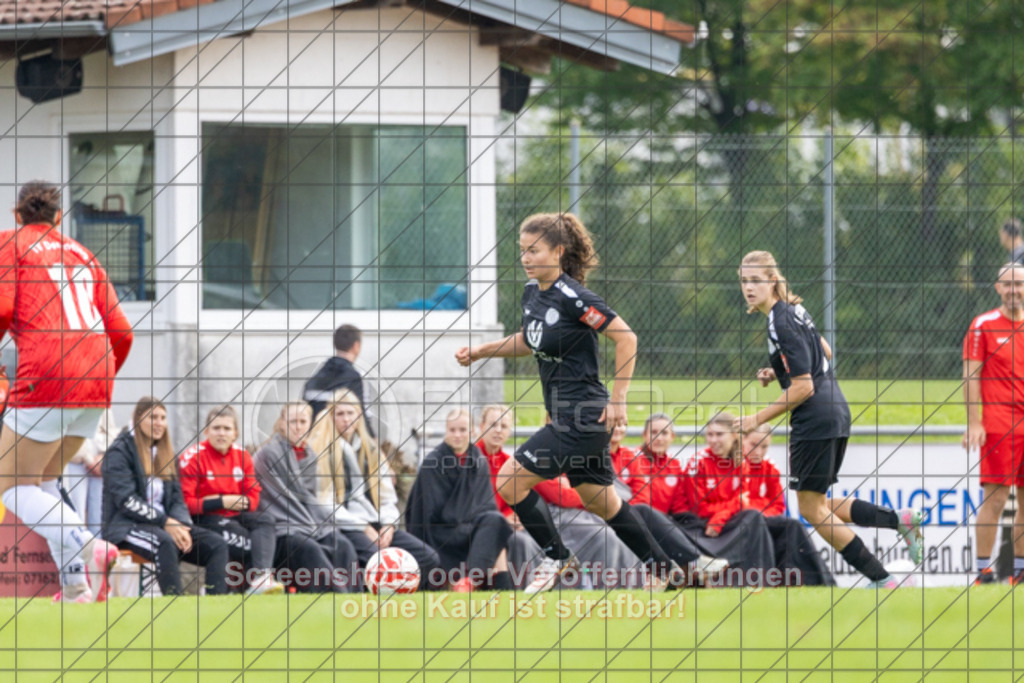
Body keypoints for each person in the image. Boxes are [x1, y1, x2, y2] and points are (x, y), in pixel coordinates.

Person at [456, 212, 681, 593]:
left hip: (582, 417)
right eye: (522, 250)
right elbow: (530, 340)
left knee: (509, 481)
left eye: (534, 250)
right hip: (569, 417)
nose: (525, 257)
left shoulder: (574, 295)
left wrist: (619, 400)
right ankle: (666, 571)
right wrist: (482, 351)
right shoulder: (533, 293)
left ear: (558, 251)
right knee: (603, 504)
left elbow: (627, 338)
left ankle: (557, 556)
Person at [737, 250, 923, 588]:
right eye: (744, 281)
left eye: (756, 280)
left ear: (772, 281)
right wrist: (778, 368)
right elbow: (824, 351)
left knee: (810, 509)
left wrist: (755, 419)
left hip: (815, 417)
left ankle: (883, 580)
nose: (748, 287)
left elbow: (803, 388)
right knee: (818, 502)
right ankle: (900, 519)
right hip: (836, 408)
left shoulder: (780, 320)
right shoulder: (794, 310)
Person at [0, 181, 133, 603]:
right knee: (46, 482)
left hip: (47, 371)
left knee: (9, 486)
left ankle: (88, 543)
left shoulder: (10, 243)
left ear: (16, 215)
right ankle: (76, 586)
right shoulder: (82, 252)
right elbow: (121, 331)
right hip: (97, 374)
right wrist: (98, 380)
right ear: (58, 218)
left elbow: (3, 309)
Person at [477, 405, 642, 589]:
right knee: (603, 533)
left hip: (575, 514)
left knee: (611, 533)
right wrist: (595, 498)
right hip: (543, 518)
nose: (498, 431)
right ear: (481, 426)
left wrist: (596, 497)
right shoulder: (520, 458)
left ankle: (619, 587)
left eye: (504, 426)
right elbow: (558, 494)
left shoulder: (510, 459)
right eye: (493, 425)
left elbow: (635, 491)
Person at [306, 390, 440, 591]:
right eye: (339, 414)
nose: (346, 419)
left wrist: (388, 525)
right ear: (331, 417)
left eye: (350, 413)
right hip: (345, 525)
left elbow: (387, 497)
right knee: (380, 563)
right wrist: (362, 526)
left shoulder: (372, 450)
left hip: (377, 522)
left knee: (428, 558)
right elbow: (325, 503)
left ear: (358, 416)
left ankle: (410, 604)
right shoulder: (322, 452)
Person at [102, 397, 230, 595]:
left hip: (165, 525)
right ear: (137, 419)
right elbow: (127, 501)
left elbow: (177, 497)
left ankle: (216, 602)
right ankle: (174, 602)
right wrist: (165, 522)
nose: (159, 423)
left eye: (163, 417)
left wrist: (180, 524)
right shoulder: (119, 452)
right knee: (164, 543)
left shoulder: (165, 453)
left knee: (216, 544)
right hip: (126, 526)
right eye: (153, 417)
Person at [252, 402, 362, 593]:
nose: (298, 426)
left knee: (342, 545)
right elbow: (281, 499)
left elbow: (309, 500)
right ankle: (338, 598)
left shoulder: (310, 456)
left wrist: (322, 524)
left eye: (303, 422)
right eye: (293, 421)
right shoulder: (269, 454)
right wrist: (307, 524)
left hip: (307, 524)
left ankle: (357, 600)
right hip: (281, 529)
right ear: (281, 423)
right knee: (309, 548)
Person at [179, 405, 284, 595]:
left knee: (266, 520)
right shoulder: (192, 458)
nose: (221, 433)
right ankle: (234, 589)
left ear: (235, 433)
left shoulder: (242, 456)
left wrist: (219, 500)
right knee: (253, 544)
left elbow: (252, 500)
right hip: (205, 520)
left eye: (227, 429)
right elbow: (186, 505)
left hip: (236, 515)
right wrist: (222, 501)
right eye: (216, 428)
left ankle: (260, 579)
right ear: (206, 431)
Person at [962, 262, 1024, 585]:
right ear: (998, 288)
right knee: (996, 499)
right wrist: (974, 422)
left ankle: (1019, 574)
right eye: (1008, 284)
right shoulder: (982, 325)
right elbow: (970, 375)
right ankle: (983, 572)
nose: (1014, 290)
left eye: (1019, 284)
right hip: (1000, 424)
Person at [615, 414, 731, 584]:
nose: (658, 438)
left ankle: (709, 567)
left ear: (672, 437)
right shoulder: (629, 459)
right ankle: (697, 563)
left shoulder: (674, 466)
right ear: (644, 435)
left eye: (664, 433)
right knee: (648, 513)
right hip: (638, 522)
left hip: (665, 523)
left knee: (694, 525)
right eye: (654, 432)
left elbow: (679, 506)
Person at [405, 410, 513, 591]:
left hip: (468, 528)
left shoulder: (478, 459)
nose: (457, 435)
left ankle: (471, 582)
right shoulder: (433, 463)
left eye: (463, 430)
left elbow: (486, 505)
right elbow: (427, 512)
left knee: (496, 523)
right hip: (439, 533)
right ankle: (480, 585)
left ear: (472, 432)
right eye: (452, 430)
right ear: (446, 431)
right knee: (491, 535)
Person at [742, 425, 834, 586]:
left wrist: (760, 512)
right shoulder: (732, 466)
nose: (758, 451)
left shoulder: (770, 468)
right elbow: (737, 502)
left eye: (764, 446)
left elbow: (778, 505)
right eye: (753, 445)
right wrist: (758, 510)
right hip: (741, 522)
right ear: (741, 440)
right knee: (788, 526)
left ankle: (818, 582)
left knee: (792, 527)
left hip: (763, 519)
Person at [304, 324, 373, 432]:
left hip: (316, 442)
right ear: (356, 346)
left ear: (335, 344)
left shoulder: (313, 379)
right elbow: (364, 417)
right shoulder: (357, 378)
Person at [60, 409, 118, 537]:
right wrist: (88, 458)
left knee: (99, 520)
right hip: (74, 461)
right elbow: (62, 432)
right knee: (75, 516)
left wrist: (104, 457)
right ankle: (78, 554)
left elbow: (111, 431)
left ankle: (97, 555)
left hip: (99, 464)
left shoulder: (100, 393)